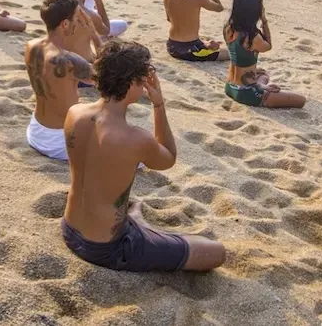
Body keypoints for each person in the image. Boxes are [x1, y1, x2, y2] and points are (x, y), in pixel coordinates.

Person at [62, 41, 226, 272]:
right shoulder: (135, 138)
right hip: (107, 247)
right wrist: (158, 105)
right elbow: (168, 158)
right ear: (132, 83)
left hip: (70, 229)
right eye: (143, 79)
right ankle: (139, 228)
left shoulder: (74, 113)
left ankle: (137, 224)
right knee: (215, 252)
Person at [24, 0, 94, 161]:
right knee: (135, 158)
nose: (78, 22)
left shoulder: (31, 46)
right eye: (77, 17)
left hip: (36, 130)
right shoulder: (68, 60)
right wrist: (93, 34)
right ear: (65, 24)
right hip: (59, 141)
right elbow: (106, 77)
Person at [222, 0, 306, 109]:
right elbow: (268, 45)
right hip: (247, 93)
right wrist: (264, 20)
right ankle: (260, 87)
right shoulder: (252, 37)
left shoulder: (228, 28)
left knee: (263, 74)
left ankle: (261, 84)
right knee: (301, 100)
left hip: (230, 86)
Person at [63, 0, 107, 67]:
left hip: (59, 57)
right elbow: (106, 30)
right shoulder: (90, 15)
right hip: (82, 63)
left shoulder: (58, 6)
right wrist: (98, 1)